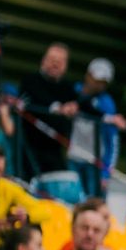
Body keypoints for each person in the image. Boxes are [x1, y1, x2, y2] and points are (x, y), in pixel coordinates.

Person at [16, 42, 77, 181]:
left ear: (66, 65)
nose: (55, 64)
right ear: (43, 61)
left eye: (60, 62)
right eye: (52, 60)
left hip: (55, 149)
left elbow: (79, 105)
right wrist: (58, 108)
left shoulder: (69, 88)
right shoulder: (30, 81)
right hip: (28, 146)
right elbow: (36, 99)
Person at [69, 58, 126, 197]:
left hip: (95, 162)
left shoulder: (107, 103)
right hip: (73, 157)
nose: (98, 85)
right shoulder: (73, 91)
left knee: (94, 202)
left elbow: (112, 140)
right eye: (96, 80)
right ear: (88, 75)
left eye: (103, 82)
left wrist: (106, 174)